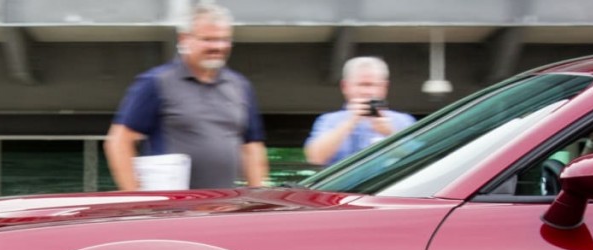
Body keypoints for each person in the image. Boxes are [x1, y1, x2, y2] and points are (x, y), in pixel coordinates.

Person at [103, 2, 268, 190]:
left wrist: (257, 199)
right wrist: (137, 198)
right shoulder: (156, 83)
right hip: (173, 212)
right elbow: (119, 142)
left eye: (224, 39)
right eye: (208, 39)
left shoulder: (240, 87)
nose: (218, 46)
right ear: (184, 39)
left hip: (224, 209)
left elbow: (252, 148)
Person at [304, 56, 416, 167]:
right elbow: (315, 158)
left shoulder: (402, 121)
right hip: (339, 185)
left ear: (384, 87)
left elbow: (419, 158)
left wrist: (389, 133)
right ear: (345, 86)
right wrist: (349, 122)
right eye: (361, 84)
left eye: (372, 85)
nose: (366, 92)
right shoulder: (329, 120)